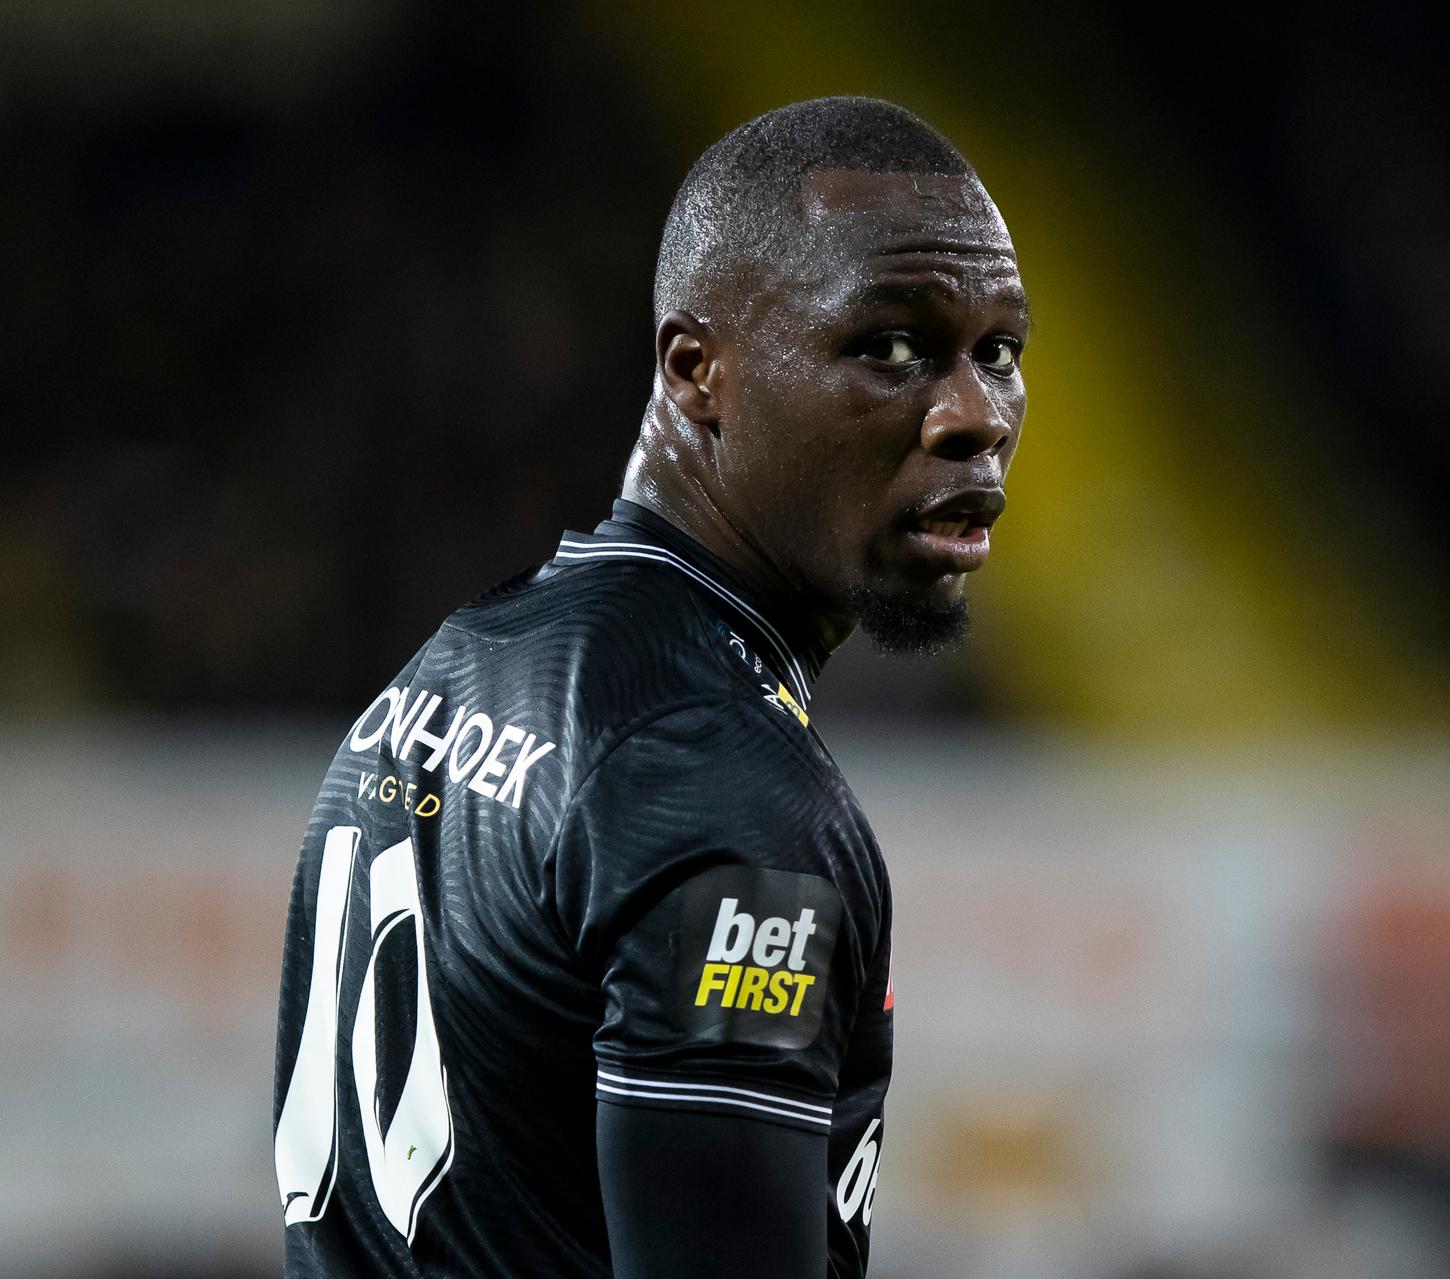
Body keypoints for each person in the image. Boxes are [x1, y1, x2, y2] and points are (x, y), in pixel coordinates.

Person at [271, 96, 1029, 1278]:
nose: (974, 414)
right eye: (892, 347)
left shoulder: (460, 660)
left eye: (1000, 352)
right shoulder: (720, 781)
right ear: (697, 370)